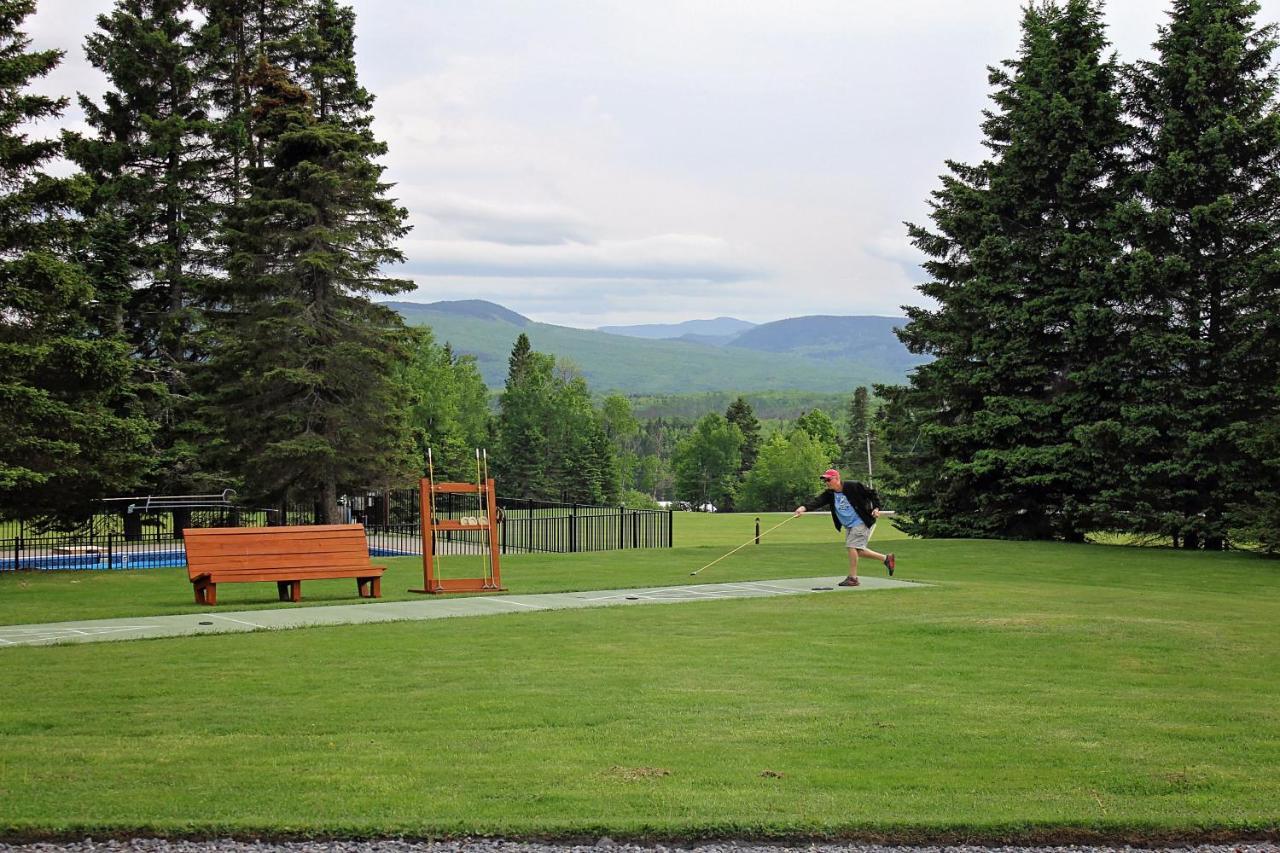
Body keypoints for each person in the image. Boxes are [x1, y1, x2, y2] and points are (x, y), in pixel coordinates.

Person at [794, 468, 895, 587]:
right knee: (858, 551)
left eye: (829, 479)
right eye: (825, 480)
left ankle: (853, 578)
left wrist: (876, 508)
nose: (827, 482)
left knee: (851, 546)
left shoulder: (853, 486)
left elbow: (872, 493)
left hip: (861, 521)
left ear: (837, 478)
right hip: (849, 525)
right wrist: (803, 508)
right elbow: (817, 501)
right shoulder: (830, 494)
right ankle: (886, 559)